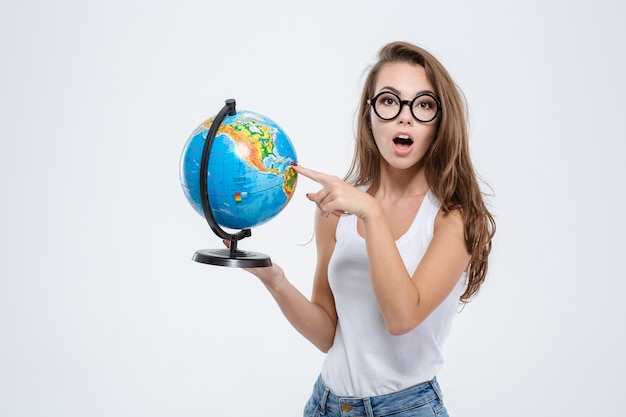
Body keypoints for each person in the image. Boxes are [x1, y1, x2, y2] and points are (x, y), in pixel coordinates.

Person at [242, 41, 495, 417]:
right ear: (369, 115)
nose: (405, 117)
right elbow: (327, 333)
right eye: (390, 101)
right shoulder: (339, 210)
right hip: (325, 404)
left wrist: (371, 213)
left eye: (424, 104)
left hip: (407, 408)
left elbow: (401, 317)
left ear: (439, 123)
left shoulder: (453, 219)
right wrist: (273, 279)